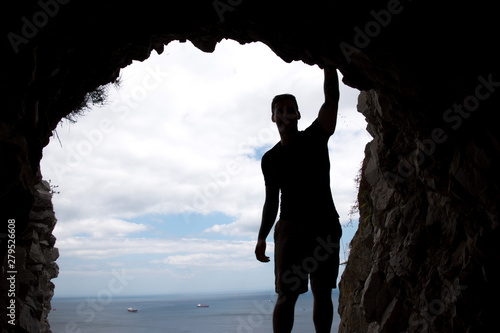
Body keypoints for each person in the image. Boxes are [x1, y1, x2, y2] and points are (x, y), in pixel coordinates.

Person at [255, 67, 342, 333]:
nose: (284, 113)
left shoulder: (316, 136)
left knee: (322, 291)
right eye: (279, 110)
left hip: (324, 224)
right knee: (286, 295)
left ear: (298, 113)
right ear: (272, 117)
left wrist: (329, 64)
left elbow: (332, 100)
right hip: (290, 228)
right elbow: (271, 202)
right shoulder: (270, 159)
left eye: (289, 108)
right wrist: (261, 237)